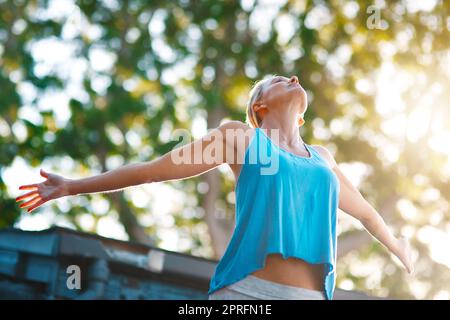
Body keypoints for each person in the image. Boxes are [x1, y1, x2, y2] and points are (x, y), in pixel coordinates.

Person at [15, 74, 414, 300]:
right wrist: (73, 186)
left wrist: (399, 247)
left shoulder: (323, 159)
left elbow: (364, 212)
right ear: (260, 107)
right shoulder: (239, 138)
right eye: (277, 80)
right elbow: (154, 171)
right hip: (245, 296)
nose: (292, 77)